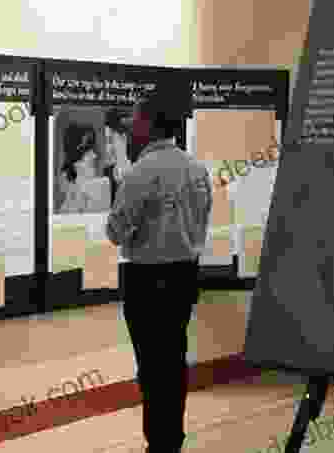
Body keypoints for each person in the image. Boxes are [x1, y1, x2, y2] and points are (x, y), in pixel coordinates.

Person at [105, 87, 212, 453]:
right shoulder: (198, 170)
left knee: (151, 367)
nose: (131, 125)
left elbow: (116, 232)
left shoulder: (139, 174)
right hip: (185, 276)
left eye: (135, 118)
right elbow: (200, 223)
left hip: (147, 282)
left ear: (149, 123)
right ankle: (172, 439)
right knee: (173, 361)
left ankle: (160, 445)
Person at [59, 125, 110, 213]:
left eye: (93, 149)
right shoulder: (66, 209)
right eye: (87, 150)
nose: (94, 156)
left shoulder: (100, 188)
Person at [103, 108, 133, 205]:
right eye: (125, 118)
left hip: (125, 175)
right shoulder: (109, 134)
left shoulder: (125, 135)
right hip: (116, 174)